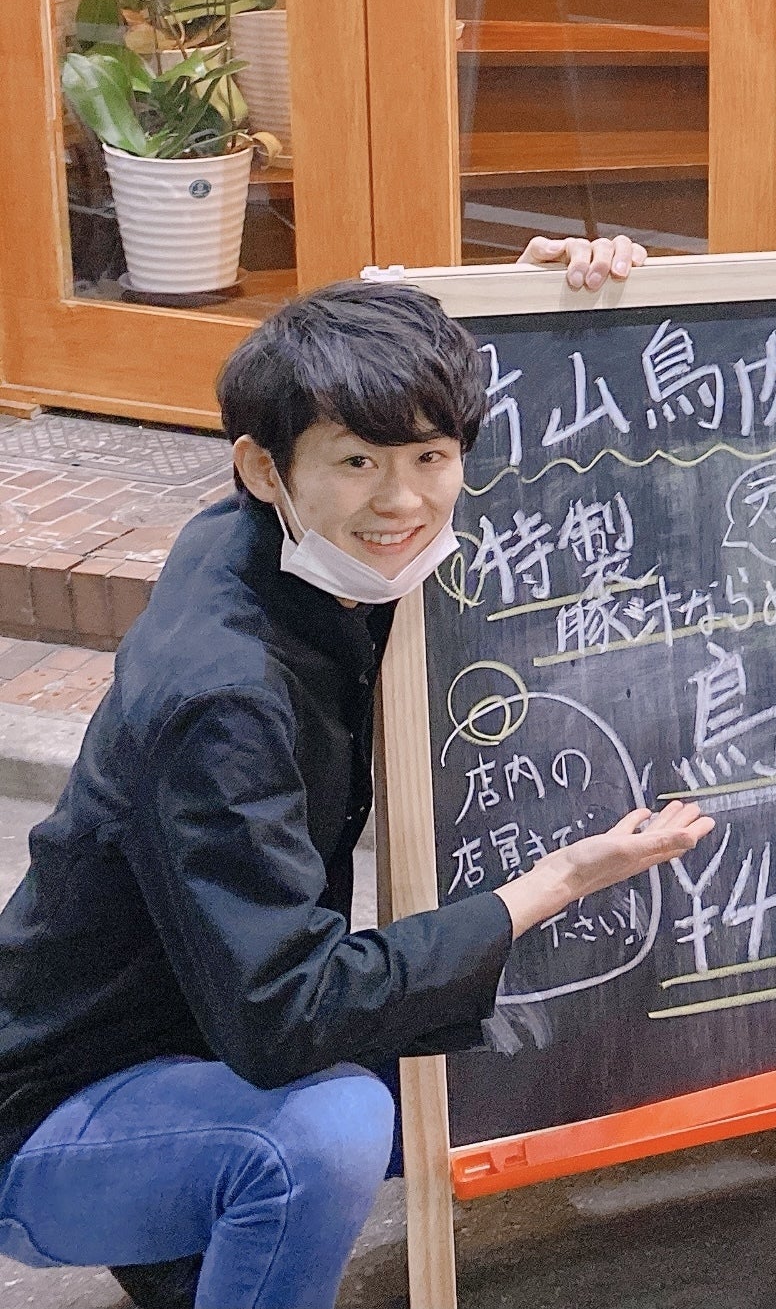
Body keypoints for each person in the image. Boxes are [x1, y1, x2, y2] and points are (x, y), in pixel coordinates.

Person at [0, 235, 698, 1309]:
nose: (403, 503)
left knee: (503, 1042)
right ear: (263, 468)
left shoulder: (276, 543)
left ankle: (187, 1237)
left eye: (430, 456)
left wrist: (534, 297)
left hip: (193, 1026)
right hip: (56, 1111)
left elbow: (404, 406)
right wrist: (554, 880)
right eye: (358, 462)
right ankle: (199, 1198)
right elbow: (287, 1011)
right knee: (330, 1125)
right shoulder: (223, 693)